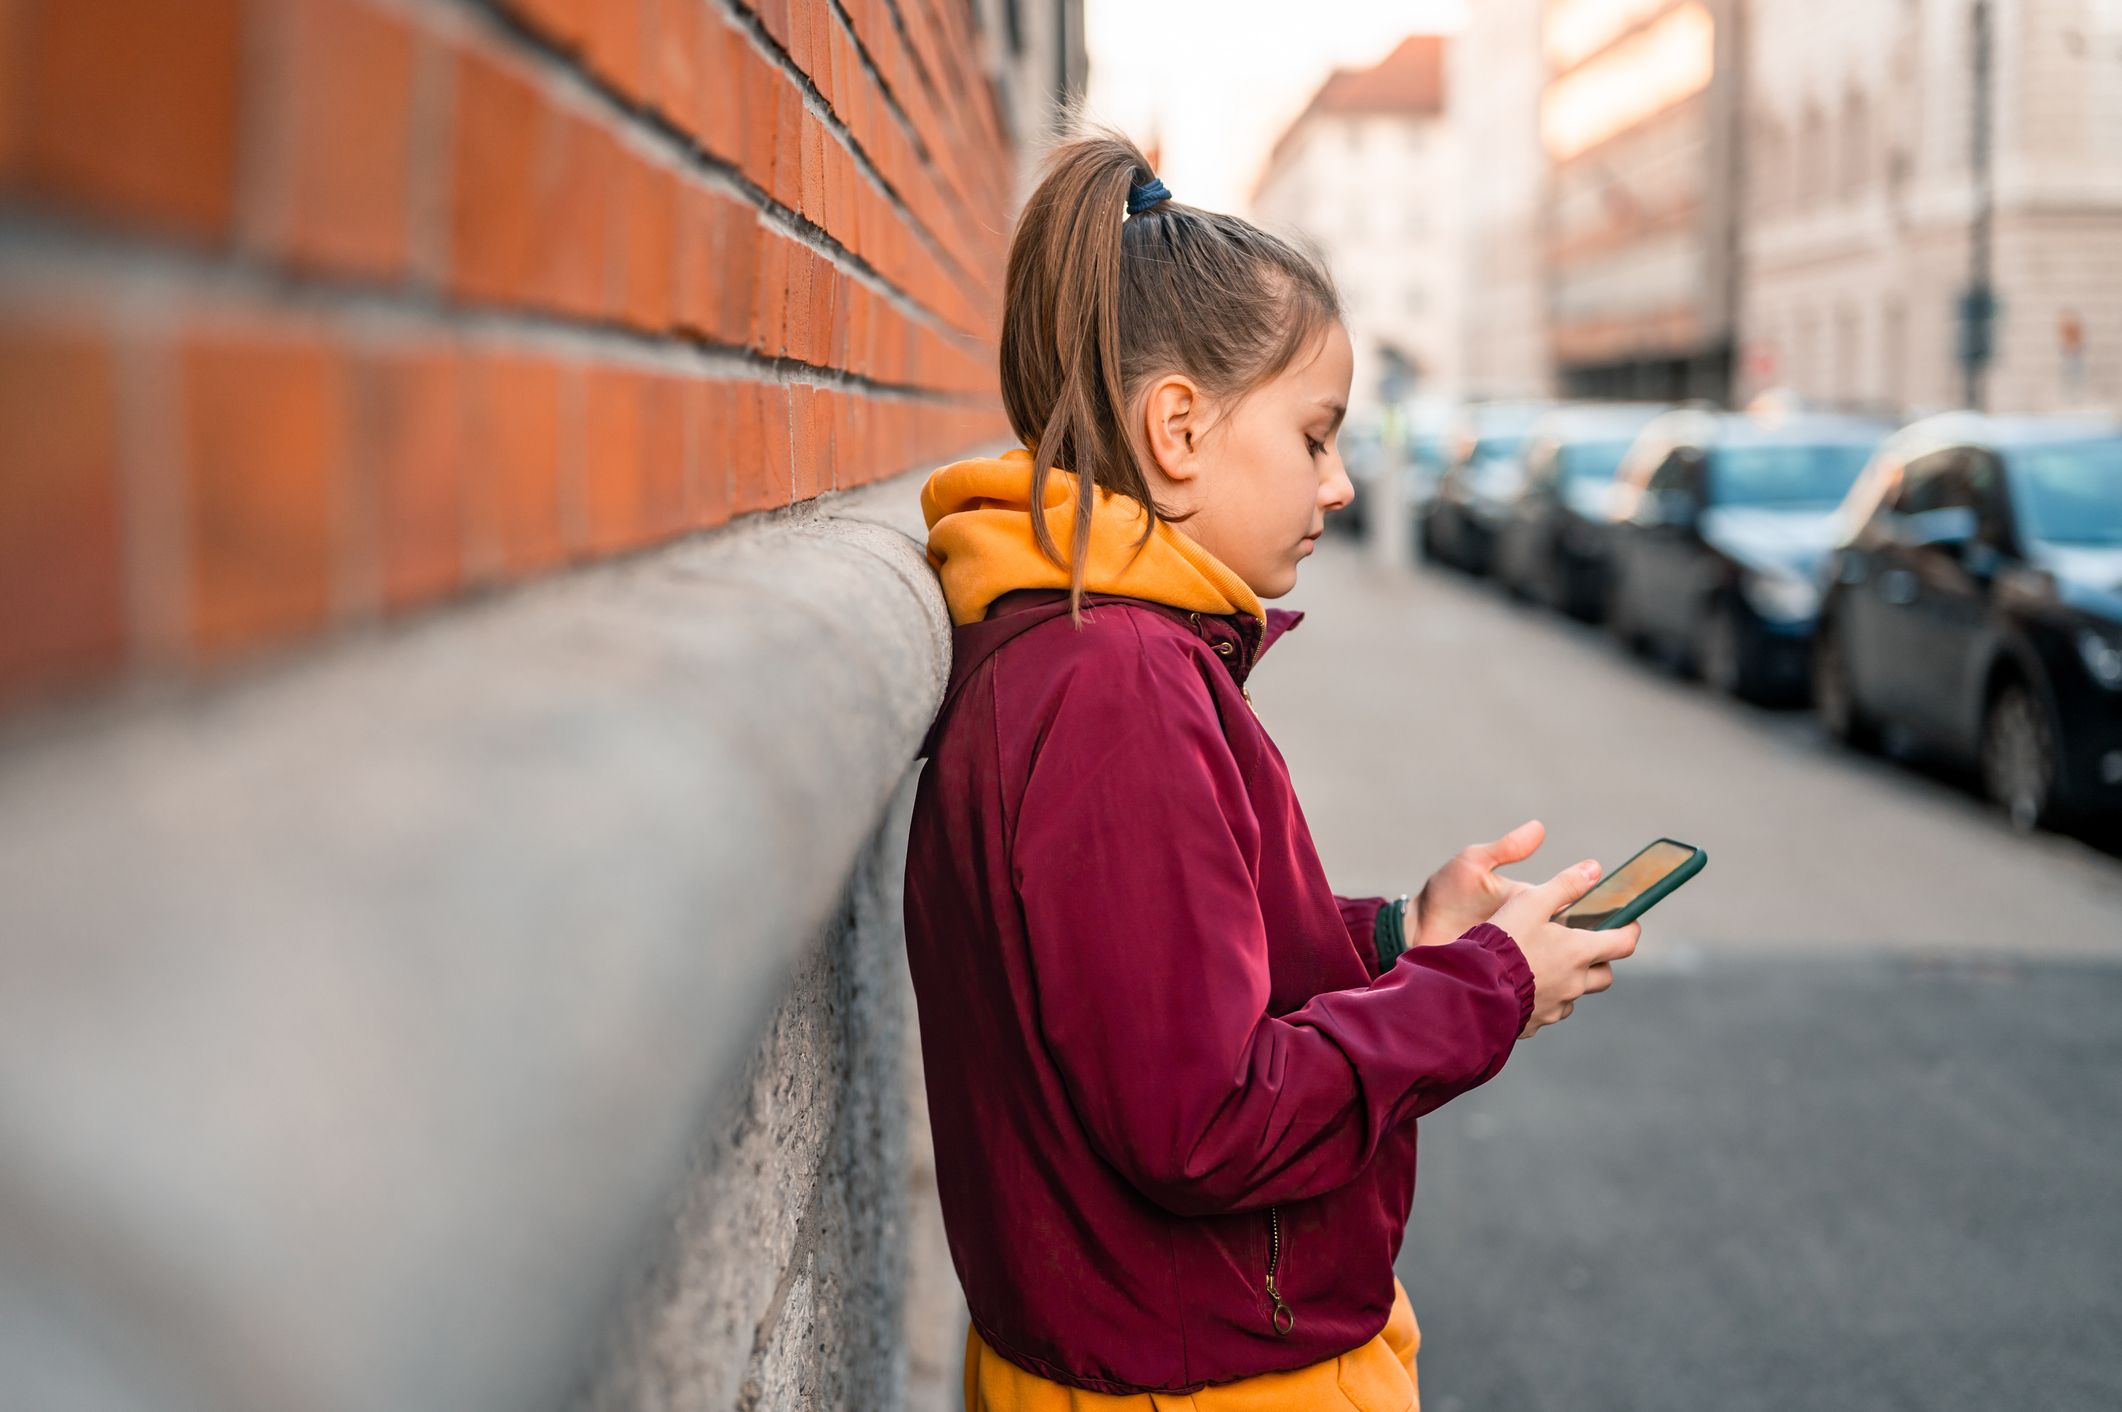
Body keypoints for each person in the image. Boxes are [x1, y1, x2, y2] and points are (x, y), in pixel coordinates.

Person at [902, 125, 1639, 1412]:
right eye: (1314, 437)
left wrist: (1402, 933)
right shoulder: (1115, 685)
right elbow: (1205, 1117)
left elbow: (1157, 981)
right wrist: (1486, 990)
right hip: (1201, 1379)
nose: (1341, 483)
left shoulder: (1088, 650)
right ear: (1179, 427)